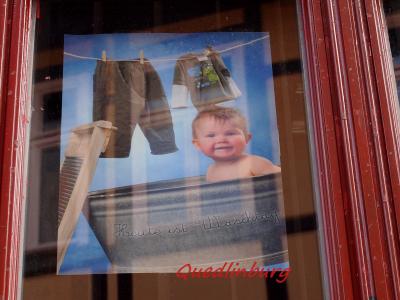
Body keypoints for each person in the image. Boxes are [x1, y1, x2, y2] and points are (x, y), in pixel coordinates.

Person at [192, 106, 281, 182]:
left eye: (230, 133)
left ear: (246, 138)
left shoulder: (253, 163)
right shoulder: (211, 171)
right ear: (198, 144)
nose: (221, 140)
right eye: (211, 135)